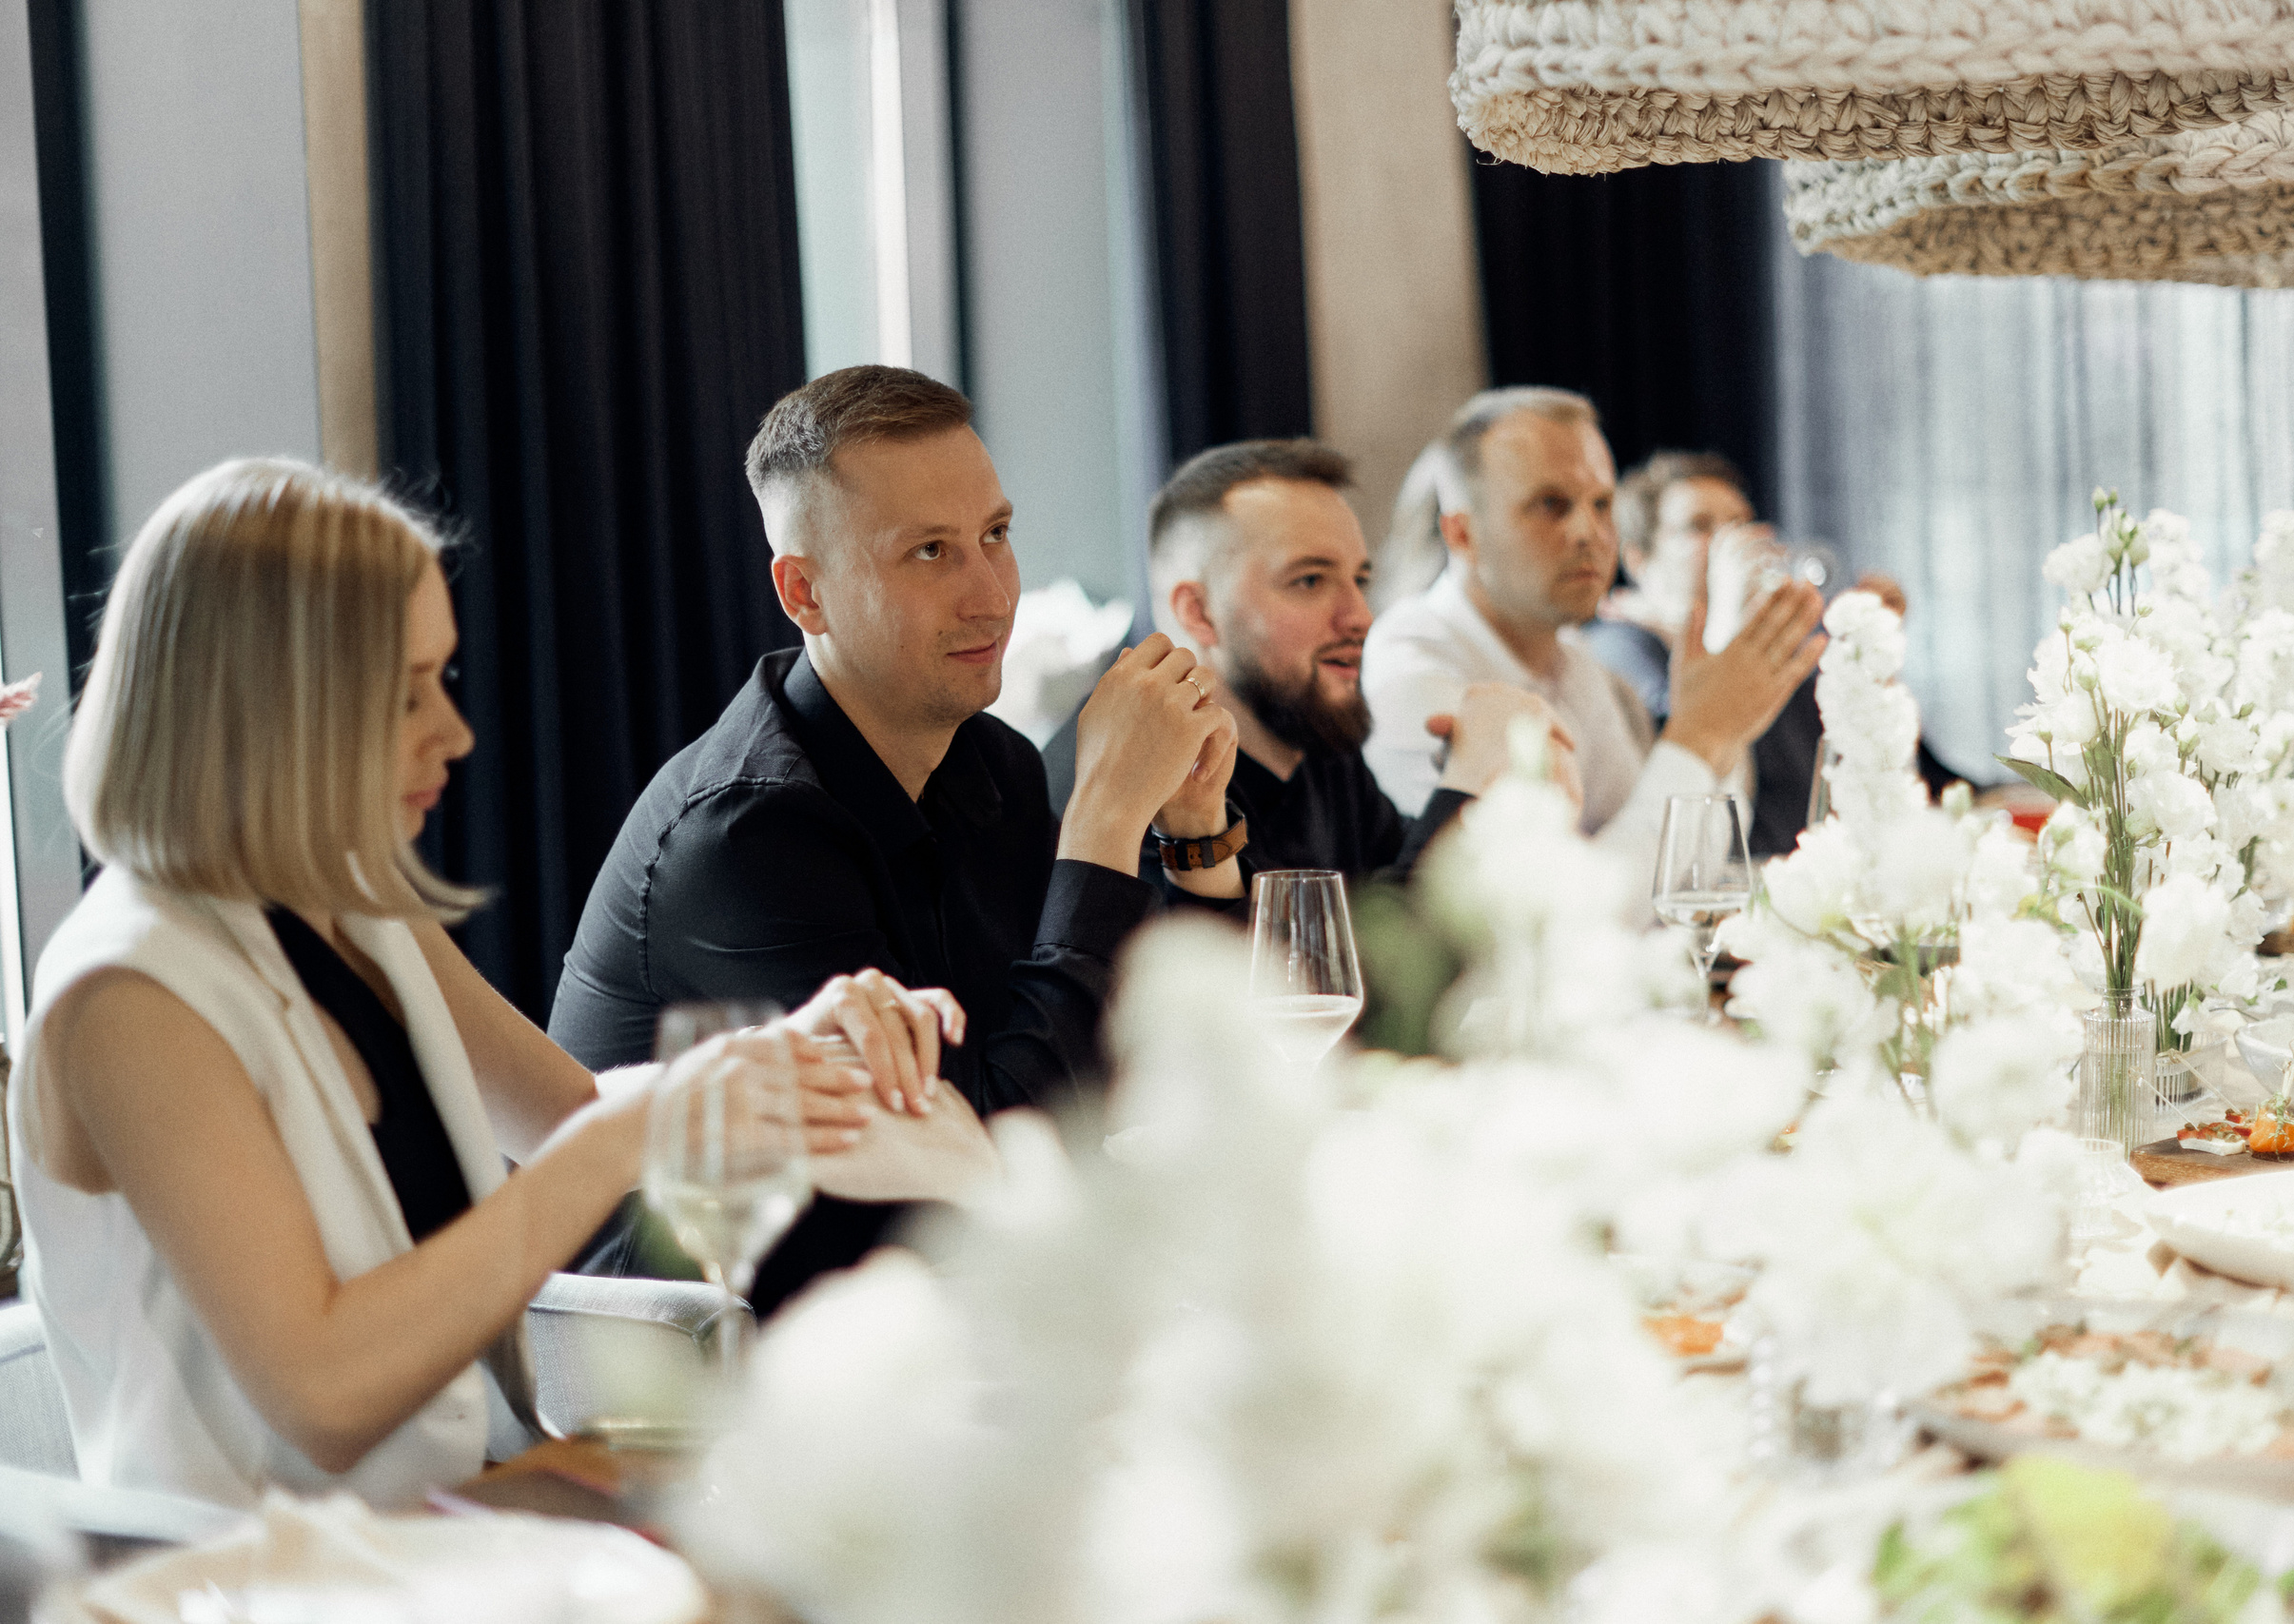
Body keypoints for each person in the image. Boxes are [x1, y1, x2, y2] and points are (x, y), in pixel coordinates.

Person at [6, 460, 919, 1509]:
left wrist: (799, 1048)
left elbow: (573, 1113)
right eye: (404, 696)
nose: (456, 733)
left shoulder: (352, 905)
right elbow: (326, 1395)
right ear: (262, 709)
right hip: (253, 1584)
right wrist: (618, 1139)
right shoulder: (128, 996)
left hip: (452, 1529)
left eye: (440, 678)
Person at [549, 365, 1236, 1314]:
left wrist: (1193, 835)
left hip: (919, 1315)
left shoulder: (989, 762)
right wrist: (1106, 817)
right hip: (702, 1378)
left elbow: (1116, 1053)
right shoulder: (747, 834)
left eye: (996, 536)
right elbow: (981, 1169)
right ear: (805, 594)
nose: (991, 596)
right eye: (928, 553)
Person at [1363, 388, 1823, 928]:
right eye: (1551, 505)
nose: (1589, 532)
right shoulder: (1412, 663)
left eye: (1601, 505)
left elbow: (1685, 870)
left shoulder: (1576, 662)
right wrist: (1697, 737)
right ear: (1463, 532)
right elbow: (1564, 917)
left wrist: (1725, 730)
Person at [1143, 438, 1571, 892]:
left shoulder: (1321, 741)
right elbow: (1329, 959)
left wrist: (1500, 793)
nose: (1362, 617)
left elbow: (1387, 916)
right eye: (1310, 580)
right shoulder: (1144, 786)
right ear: (1199, 612)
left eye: (1360, 580)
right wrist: (1467, 789)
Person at [1598, 449, 1974, 855]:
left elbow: (1873, 773)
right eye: (1701, 526)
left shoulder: (1783, 653)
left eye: (1739, 524)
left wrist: (1863, 655)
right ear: (1638, 560)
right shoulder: (1620, 646)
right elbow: (1690, 746)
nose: (1732, 541)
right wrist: (1726, 623)